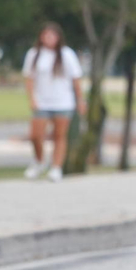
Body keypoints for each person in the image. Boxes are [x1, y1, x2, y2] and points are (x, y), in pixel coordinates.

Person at [22, 23, 84, 182]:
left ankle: (56, 167)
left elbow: (76, 79)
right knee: (35, 135)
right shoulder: (34, 54)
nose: (49, 38)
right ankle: (39, 161)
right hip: (42, 101)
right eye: (46, 35)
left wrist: (80, 100)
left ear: (58, 37)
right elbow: (29, 78)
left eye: (52, 35)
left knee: (59, 136)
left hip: (63, 102)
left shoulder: (66, 54)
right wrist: (32, 99)